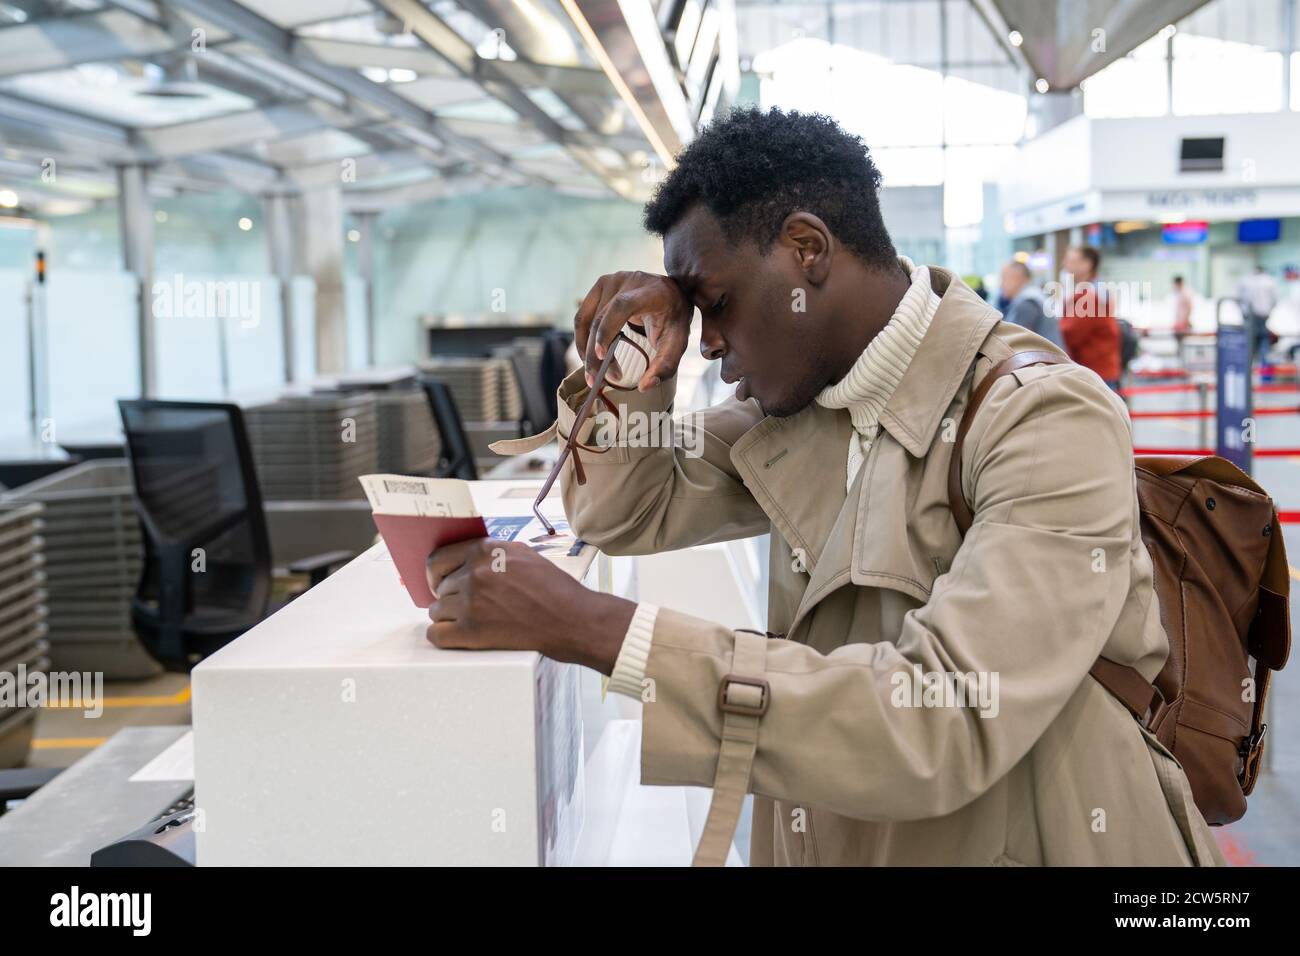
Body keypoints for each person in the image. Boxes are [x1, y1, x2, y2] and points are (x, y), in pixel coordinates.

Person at [424, 108, 1221, 867]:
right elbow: (625, 512)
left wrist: (598, 630)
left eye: (717, 303)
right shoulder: (806, 403)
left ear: (807, 248)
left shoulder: (1045, 418)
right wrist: (638, 364)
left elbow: (941, 719)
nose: (711, 346)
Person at [1059, 245, 1122, 389]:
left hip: (1095, 374)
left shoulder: (1090, 297)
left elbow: (1069, 334)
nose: (1065, 265)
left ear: (1087, 264)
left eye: (1070, 261)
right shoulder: (1093, 292)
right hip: (1095, 372)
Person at [999, 259, 1061, 347]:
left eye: (1004, 278)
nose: (1001, 285)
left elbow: (1014, 343)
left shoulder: (1027, 302)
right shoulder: (1034, 295)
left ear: (1018, 278)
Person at [1238, 265, 1278, 361]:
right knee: (1262, 337)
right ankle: (1263, 361)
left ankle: (1251, 361)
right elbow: (1274, 299)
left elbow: (1239, 298)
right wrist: (1269, 310)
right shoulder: (1269, 281)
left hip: (1250, 314)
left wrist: (1243, 311)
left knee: (1252, 337)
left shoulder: (1246, 280)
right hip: (1262, 313)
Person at [1171, 275, 1193, 369]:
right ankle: (1181, 366)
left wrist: (1185, 321)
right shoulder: (1179, 293)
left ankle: (1184, 366)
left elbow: (1189, 307)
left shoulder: (1185, 293)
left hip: (1183, 324)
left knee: (1183, 345)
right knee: (1180, 345)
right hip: (1179, 323)